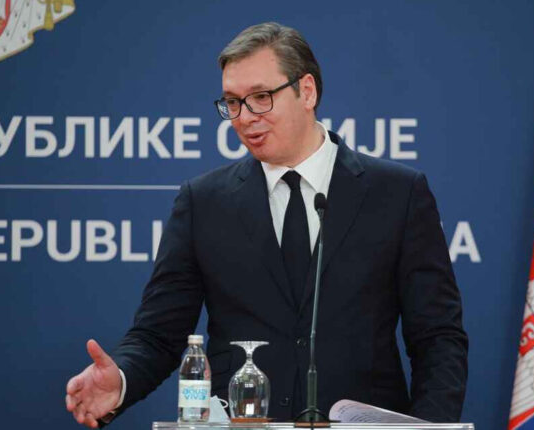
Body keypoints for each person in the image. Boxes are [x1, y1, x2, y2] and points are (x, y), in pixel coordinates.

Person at [65, 22, 468, 428]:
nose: (244, 118)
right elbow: (158, 333)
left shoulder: (397, 193)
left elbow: (438, 337)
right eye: (232, 102)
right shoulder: (203, 202)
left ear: (306, 91)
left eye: (261, 98)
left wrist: (431, 427)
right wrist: (120, 380)